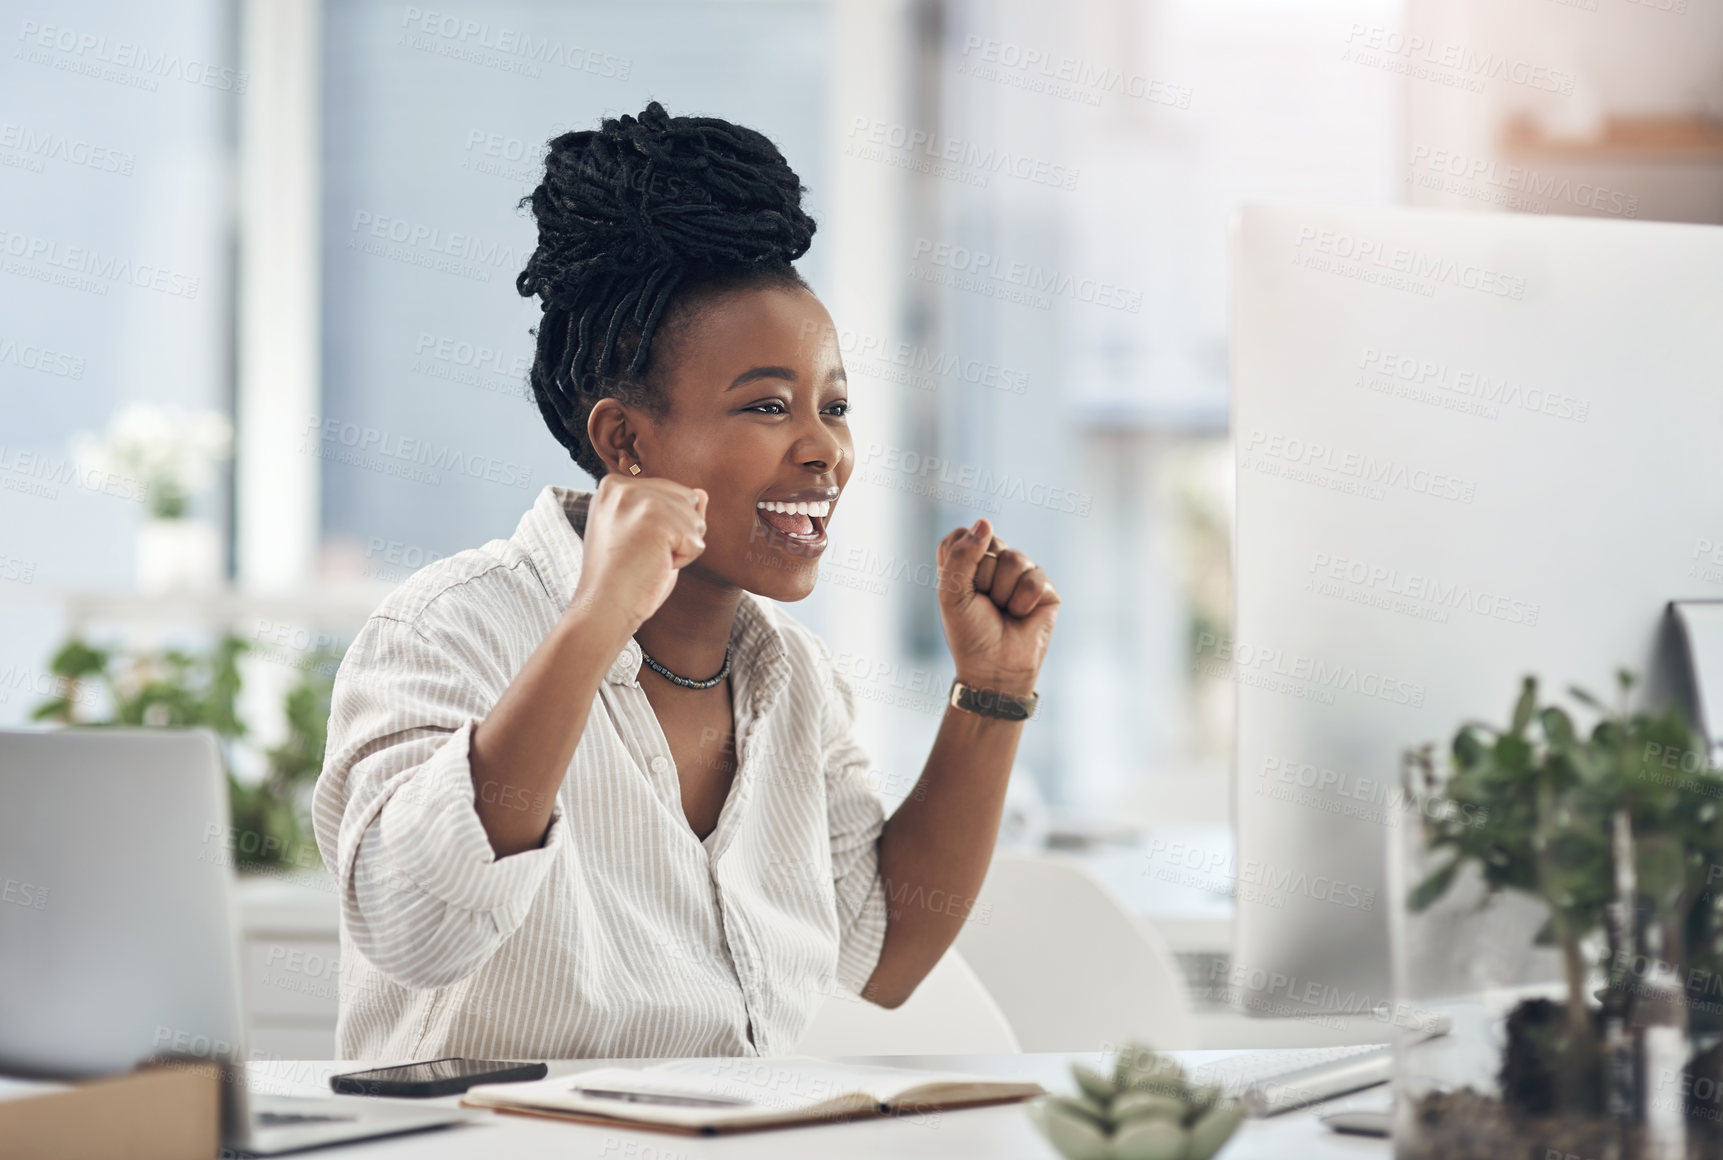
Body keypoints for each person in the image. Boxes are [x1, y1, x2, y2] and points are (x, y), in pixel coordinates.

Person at [312, 101, 1060, 1060]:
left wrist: (991, 695)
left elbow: (886, 952)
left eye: (832, 406)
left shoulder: (792, 681)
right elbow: (415, 925)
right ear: (625, 440)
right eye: (766, 405)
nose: (823, 450)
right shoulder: (446, 630)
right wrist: (597, 620)